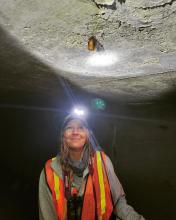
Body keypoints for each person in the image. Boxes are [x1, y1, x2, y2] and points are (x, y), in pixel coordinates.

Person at [39, 114, 145, 220]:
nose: (75, 132)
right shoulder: (50, 170)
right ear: (63, 135)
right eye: (69, 127)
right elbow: (46, 215)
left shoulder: (103, 162)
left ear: (88, 134)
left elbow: (118, 203)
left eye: (81, 127)